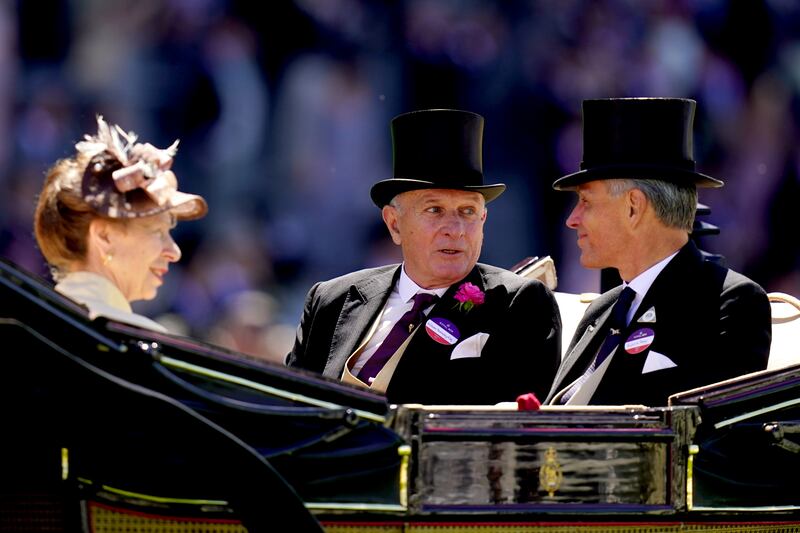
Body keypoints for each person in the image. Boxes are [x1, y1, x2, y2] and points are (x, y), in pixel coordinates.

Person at [287, 109, 561, 405]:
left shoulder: (519, 303)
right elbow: (289, 410)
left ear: (483, 220)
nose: (455, 230)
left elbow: (516, 428)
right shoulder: (331, 300)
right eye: (434, 210)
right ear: (394, 223)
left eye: (467, 212)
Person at [546, 97, 771, 406]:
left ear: (633, 207)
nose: (572, 219)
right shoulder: (601, 310)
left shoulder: (726, 303)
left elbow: (717, 443)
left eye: (586, 201)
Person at [34, 115, 208, 333]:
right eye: (157, 231)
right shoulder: (137, 342)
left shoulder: (30, 323)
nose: (174, 252)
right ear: (104, 236)